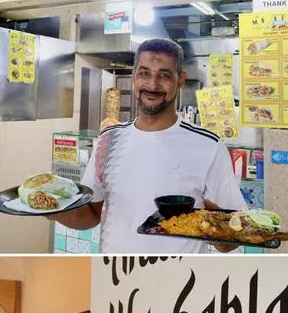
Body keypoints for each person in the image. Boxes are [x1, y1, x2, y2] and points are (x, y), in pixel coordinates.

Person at [50, 37, 246, 253]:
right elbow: (90, 215)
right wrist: (49, 207)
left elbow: (233, 237)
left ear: (180, 79)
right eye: (144, 73)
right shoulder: (108, 140)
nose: (152, 84)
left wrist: (211, 224)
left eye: (164, 75)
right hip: (114, 276)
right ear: (134, 76)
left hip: (178, 281)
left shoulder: (208, 146)